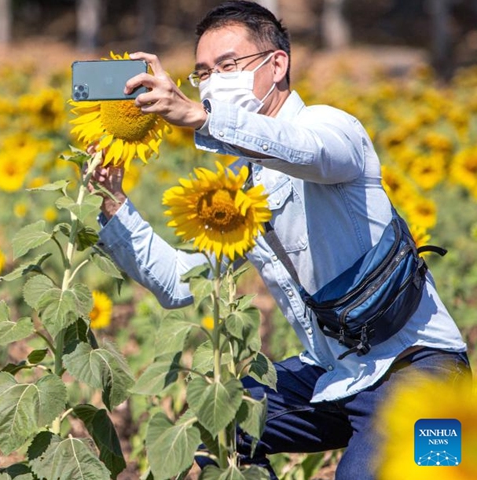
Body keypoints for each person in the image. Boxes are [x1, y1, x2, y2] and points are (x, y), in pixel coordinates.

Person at [88, 1, 470, 478]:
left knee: (419, 473)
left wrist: (203, 119)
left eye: (228, 65)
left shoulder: (334, 128)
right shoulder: (248, 189)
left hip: (425, 373)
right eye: (203, 73)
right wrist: (112, 203)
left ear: (277, 64)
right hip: (337, 378)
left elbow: (306, 152)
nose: (213, 82)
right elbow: (181, 284)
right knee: (221, 420)